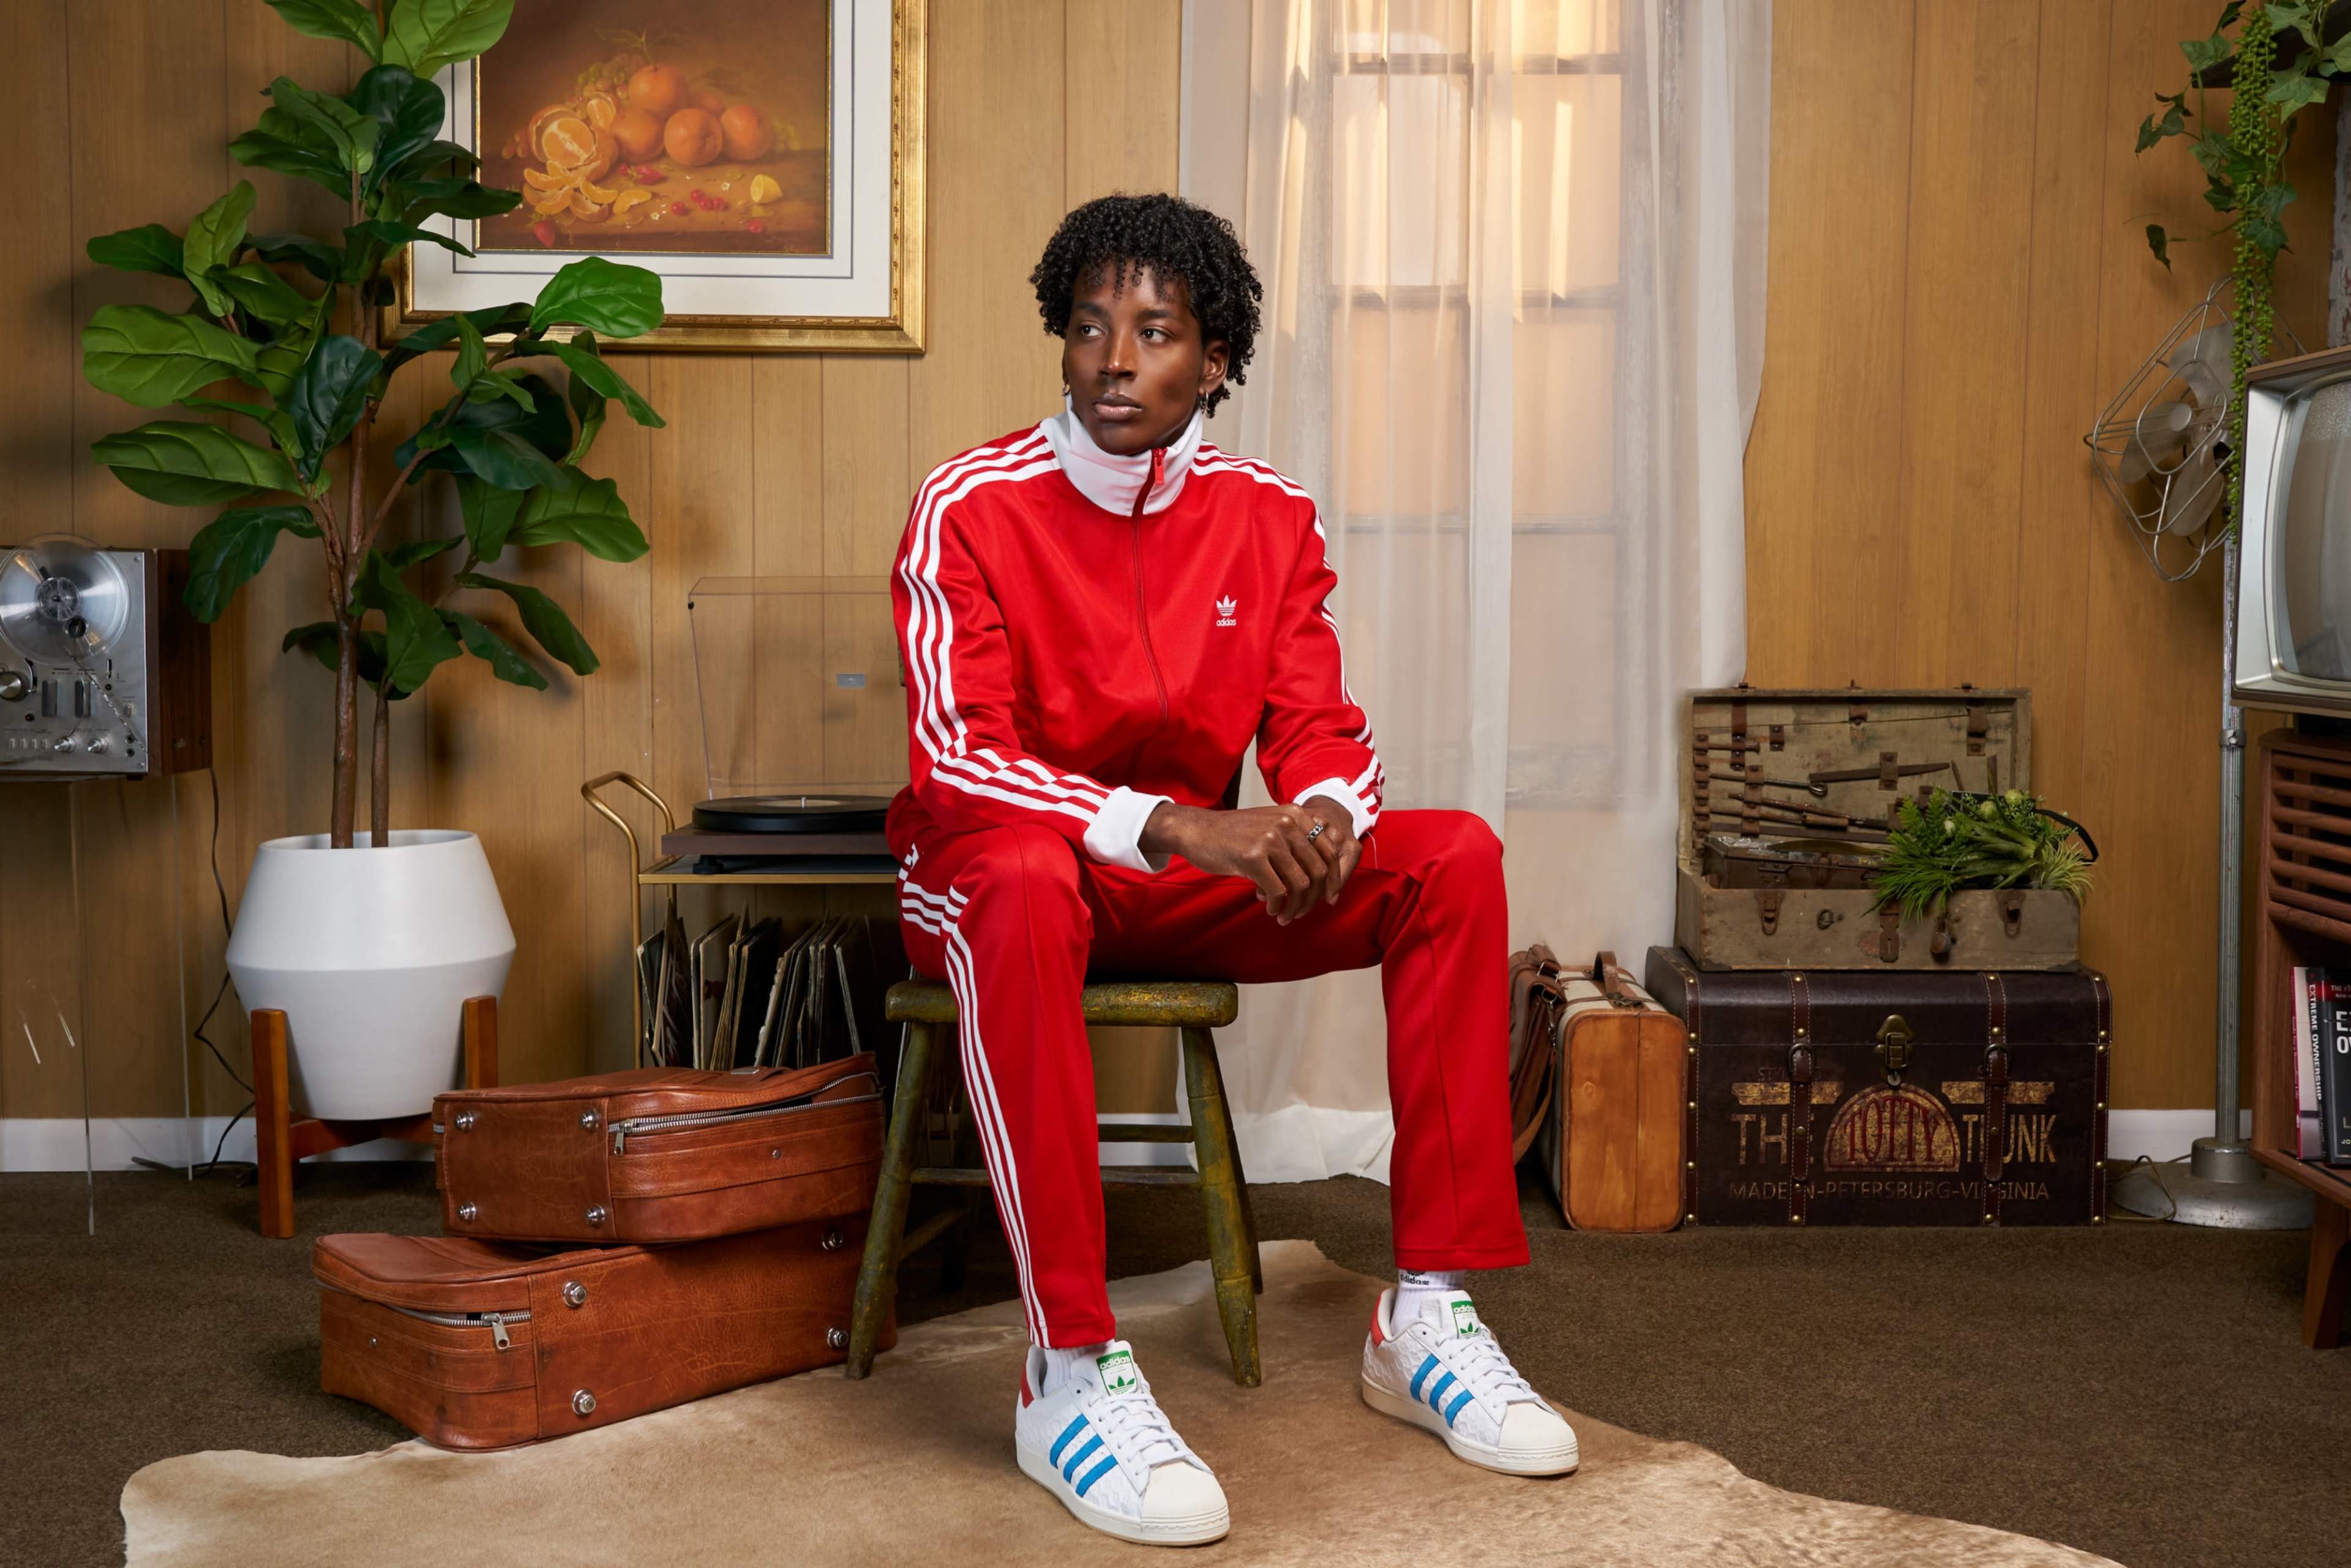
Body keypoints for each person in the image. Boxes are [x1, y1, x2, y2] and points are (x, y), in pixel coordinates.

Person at [886, 192, 1577, 1548]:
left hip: (1171, 885)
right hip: (1000, 882)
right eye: (1089, 328)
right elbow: (958, 761)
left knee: (1451, 855)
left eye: (1153, 332)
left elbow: (1322, 724)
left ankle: (1424, 1310)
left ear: (1214, 361)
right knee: (1024, 876)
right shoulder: (970, 506)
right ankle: (1067, 1370)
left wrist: (1320, 814)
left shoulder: (1266, 518)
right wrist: (1182, 825)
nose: (1113, 361)